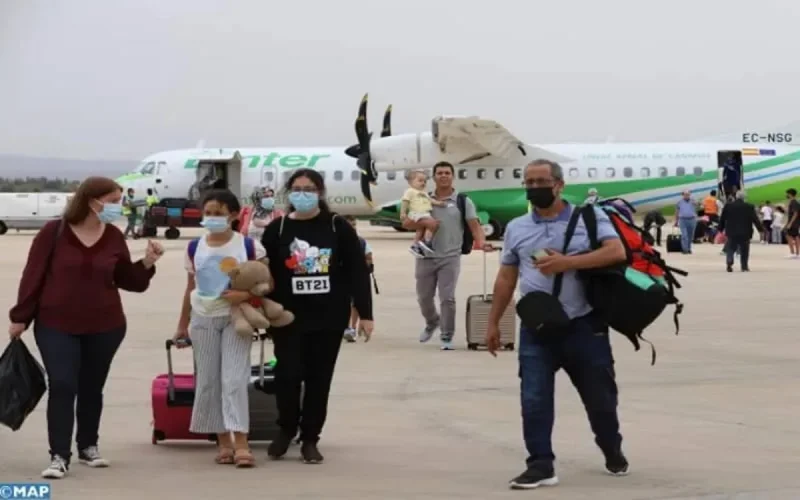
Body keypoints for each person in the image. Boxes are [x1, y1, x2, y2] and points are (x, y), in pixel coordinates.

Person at [485, 159, 628, 490]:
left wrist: (568, 262)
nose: (534, 187)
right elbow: (506, 277)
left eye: (542, 182)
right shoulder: (517, 228)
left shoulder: (589, 218)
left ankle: (611, 445)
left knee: (601, 400)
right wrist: (494, 322)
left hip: (584, 325)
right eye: (529, 182)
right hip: (537, 328)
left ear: (559, 185)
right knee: (533, 398)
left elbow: (616, 251)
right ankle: (540, 464)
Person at [8, 176, 163, 480]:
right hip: (56, 324)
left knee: (92, 387)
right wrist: (20, 316)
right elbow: (33, 276)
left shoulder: (114, 236)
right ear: (92, 202)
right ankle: (59, 455)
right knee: (63, 384)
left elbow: (127, 280)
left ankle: (88, 446)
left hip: (106, 325)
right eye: (113, 201)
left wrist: (146, 262)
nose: (119, 206)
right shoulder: (54, 232)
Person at [261, 168, 374, 464]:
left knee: (319, 379)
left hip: (328, 318)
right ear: (289, 193)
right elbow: (263, 271)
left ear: (320, 192)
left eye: (309, 189)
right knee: (287, 375)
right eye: (297, 189)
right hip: (287, 318)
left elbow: (357, 271)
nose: (303, 194)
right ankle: (286, 428)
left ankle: (310, 437)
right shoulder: (278, 229)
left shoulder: (337, 227)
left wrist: (365, 313)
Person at [174, 189, 263, 468]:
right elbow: (191, 287)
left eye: (219, 213)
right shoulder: (194, 248)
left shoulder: (248, 246)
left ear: (234, 215)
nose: (212, 218)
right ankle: (223, 440)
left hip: (236, 318)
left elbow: (265, 282)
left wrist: (245, 296)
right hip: (203, 319)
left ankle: (242, 441)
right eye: (208, 213)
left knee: (234, 379)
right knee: (209, 380)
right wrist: (182, 325)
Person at [402, 161, 493, 350]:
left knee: (447, 298)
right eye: (440, 173)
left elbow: (474, 226)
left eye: (447, 173)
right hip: (425, 256)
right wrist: (425, 223)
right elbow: (407, 223)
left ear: (453, 176)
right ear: (434, 177)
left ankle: (446, 336)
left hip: (450, 257)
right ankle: (432, 322)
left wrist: (482, 243)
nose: (443, 176)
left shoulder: (462, 201)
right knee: (424, 298)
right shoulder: (423, 198)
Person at [400, 170, 447, 257]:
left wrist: (439, 203)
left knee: (421, 229)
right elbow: (405, 201)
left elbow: (431, 200)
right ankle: (427, 241)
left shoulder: (424, 193)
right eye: (420, 180)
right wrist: (403, 213)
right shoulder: (410, 191)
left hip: (425, 214)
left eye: (425, 181)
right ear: (410, 182)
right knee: (433, 224)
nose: (423, 183)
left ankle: (415, 245)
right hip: (416, 213)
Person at [342, 215, 373, 343]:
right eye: (349, 225)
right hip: (341, 278)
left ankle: (352, 327)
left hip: (355, 277)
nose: (352, 227)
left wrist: (363, 267)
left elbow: (369, 257)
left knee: (355, 304)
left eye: (354, 224)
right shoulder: (335, 241)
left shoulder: (361, 241)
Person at [719, 191, 762, 272]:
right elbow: (755, 219)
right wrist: (760, 229)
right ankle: (744, 266)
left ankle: (729, 262)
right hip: (745, 231)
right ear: (744, 198)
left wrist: (720, 228)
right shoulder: (749, 206)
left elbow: (723, 218)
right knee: (744, 249)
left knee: (731, 247)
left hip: (732, 231)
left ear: (736, 197)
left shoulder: (728, 206)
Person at [784, 188, 800, 258]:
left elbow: (795, 213)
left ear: (790, 194)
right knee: (795, 236)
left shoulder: (793, 202)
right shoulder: (794, 202)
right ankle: (796, 253)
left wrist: (790, 223)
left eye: (787, 194)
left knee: (789, 236)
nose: (786, 195)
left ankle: (793, 253)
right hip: (795, 222)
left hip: (793, 223)